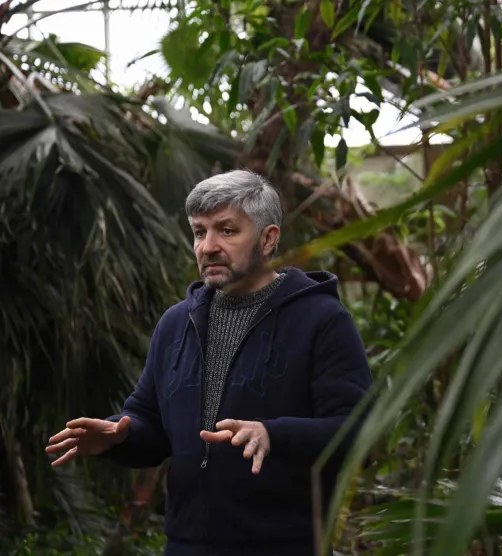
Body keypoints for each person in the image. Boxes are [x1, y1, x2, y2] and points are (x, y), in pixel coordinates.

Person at [45, 170, 373, 555]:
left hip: (286, 545)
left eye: (227, 231)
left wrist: (273, 434)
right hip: (185, 545)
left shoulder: (322, 320)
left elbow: (359, 434)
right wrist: (118, 437)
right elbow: (150, 424)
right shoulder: (176, 323)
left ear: (268, 239)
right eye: (200, 232)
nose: (208, 246)